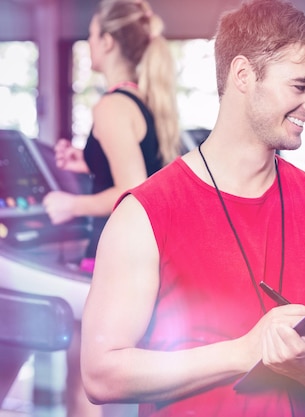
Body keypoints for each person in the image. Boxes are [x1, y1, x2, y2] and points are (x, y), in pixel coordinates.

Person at [80, 1, 305, 416]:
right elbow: (100, 374)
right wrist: (244, 352)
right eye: (300, 87)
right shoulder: (145, 212)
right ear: (243, 75)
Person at [42, 0, 180, 416]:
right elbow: (141, 167)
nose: (87, 42)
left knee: (83, 379)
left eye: (91, 34)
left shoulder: (111, 106)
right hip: (144, 260)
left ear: (107, 41)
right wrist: (88, 163)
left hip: (113, 259)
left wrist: (72, 204)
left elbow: (133, 188)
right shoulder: (140, 101)